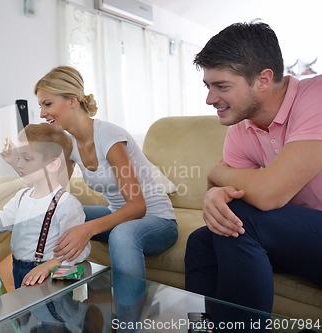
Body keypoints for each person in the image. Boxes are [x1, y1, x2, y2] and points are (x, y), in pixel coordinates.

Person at [184, 22, 322, 330]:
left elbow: (269, 194)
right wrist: (213, 192)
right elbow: (227, 190)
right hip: (298, 236)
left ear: (263, 79)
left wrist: (220, 175)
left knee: (239, 219)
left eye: (222, 86)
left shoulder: (317, 96)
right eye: (208, 86)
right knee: (201, 242)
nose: (210, 98)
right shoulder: (240, 127)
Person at [32, 65, 178, 329]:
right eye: (41, 106)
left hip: (157, 221)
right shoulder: (70, 143)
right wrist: (18, 160)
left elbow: (137, 207)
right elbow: (55, 192)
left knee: (122, 234)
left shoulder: (109, 137)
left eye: (48, 104)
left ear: (72, 101)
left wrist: (86, 229)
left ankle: (129, 324)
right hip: (119, 216)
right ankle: (58, 304)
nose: (42, 113)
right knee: (60, 212)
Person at [0, 123, 91, 288]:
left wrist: (50, 265)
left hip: (48, 275)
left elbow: (79, 250)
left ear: (52, 164)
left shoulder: (67, 204)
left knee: (48, 314)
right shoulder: (21, 197)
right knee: (26, 313)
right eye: (19, 158)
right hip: (18, 269)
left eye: (27, 158)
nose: (20, 165)